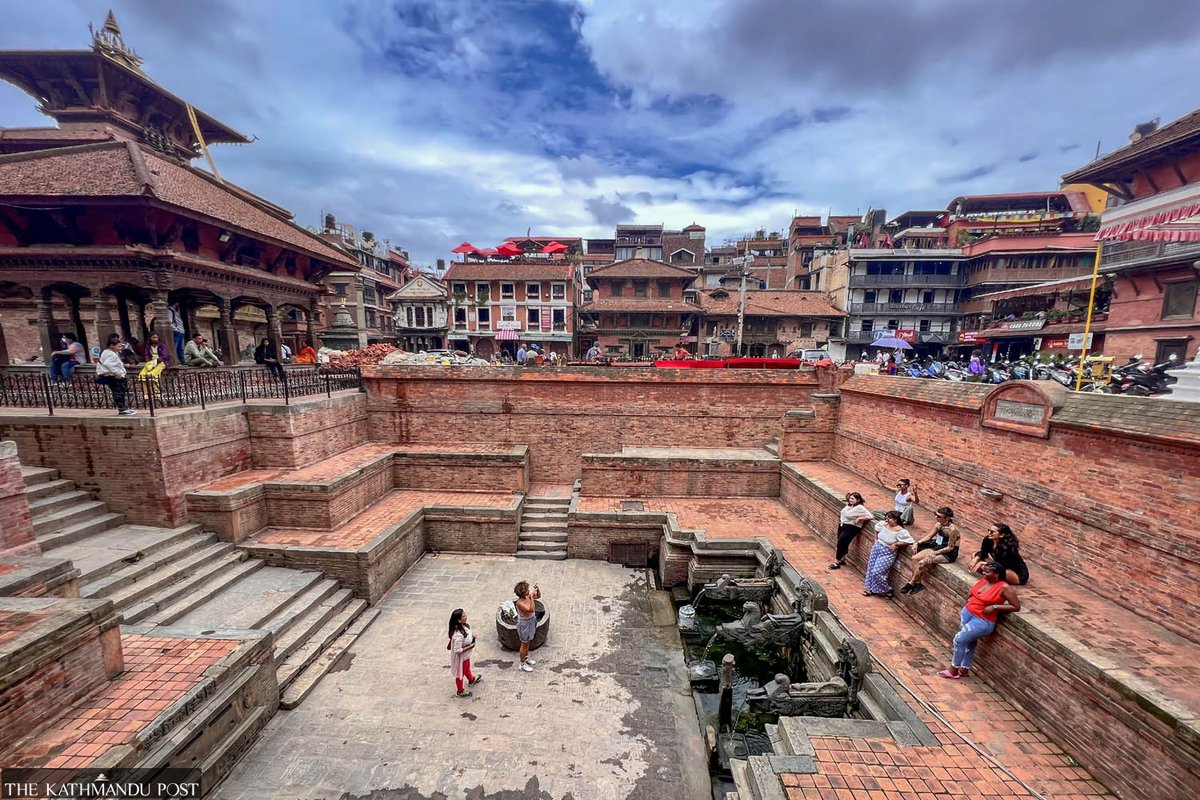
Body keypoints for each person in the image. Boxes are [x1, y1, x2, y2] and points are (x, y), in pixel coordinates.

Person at [938, 559, 1020, 679]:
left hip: (983, 621)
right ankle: (964, 668)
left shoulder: (1004, 588)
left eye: (987, 572)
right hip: (968, 613)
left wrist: (994, 607)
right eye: (984, 571)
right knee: (969, 642)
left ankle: (953, 670)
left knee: (959, 640)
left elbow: (1016, 606)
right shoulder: (984, 580)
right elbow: (974, 592)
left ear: (996, 574)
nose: (983, 574)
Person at [901, 507, 961, 595]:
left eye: (939, 516)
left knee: (922, 563)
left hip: (948, 553)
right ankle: (918, 583)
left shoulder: (953, 530)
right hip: (938, 546)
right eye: (935, 514)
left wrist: (934, 553)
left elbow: (950, 547)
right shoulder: (938, 524)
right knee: (914, 558)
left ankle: (911, 583)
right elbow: (929, 536)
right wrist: (917, 543)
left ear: (947, 518)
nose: (936, 517)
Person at [863, 511, 914, 597]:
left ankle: (886, 589)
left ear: (895, 520)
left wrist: (896, 544)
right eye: (887, 517)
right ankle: (870, 588)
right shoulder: (883, 524)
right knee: (871, 568)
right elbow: (876, 529)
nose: (887, 520)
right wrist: (876, 539)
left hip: (887, 552)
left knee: (877, 572)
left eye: (889, 518)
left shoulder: (901, 531)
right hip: (877, 548)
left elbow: (909, 541)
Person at [828, 491, 874, 570]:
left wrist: (860, 518)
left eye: (853, 499)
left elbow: (870, 516)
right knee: (842, 542)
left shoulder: (860, 508)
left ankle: (836, 561)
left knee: (841, 542)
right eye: (850, 498)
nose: (851, 500)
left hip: (852, 527)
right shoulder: (849, 506)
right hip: (843, 525)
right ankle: (842, 559)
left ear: (858, 500)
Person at [96, 334, 136, 416]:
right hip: (114, 376)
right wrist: (116, 373)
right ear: (111, 345)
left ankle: (123, 408)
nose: (120, 348)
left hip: (114, 374)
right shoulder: (110, 354)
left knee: (119, 391)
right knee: (119, 392)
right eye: (118, 346)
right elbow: (108, 364)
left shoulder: (107, 352)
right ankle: (122, 409)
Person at [447, 608, 482, 698]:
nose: (466, 616)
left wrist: (472, 636)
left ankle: (471, 679)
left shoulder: (462, 627)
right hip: (461, 658)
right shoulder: (458, 635)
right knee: (460, 674)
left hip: (465, 656)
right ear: (459, 620)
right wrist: (470, 646)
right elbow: (457, 650)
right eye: (463, 616)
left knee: (466, 668)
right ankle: (460, 691)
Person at [514, 580, 541, 672]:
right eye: (527, 590)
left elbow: (538, 596)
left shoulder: (527, 597)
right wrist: (532, 598)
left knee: (528, 642)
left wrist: (537, 590)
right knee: (524, 644)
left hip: (531, 621)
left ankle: (526, 658)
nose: (529, 591)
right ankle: (522, 663)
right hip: (524, 624)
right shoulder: (520, 603)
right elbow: (531, 609)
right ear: (522, 593)